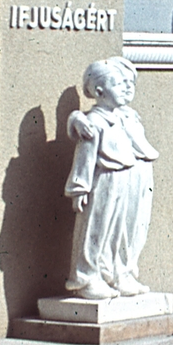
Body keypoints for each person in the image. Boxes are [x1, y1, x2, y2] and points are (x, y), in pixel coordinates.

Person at [64, 56, 158, 299]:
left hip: (127, 180)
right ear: (99, 91)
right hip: (105, 180)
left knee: (123, 232)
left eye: (130, 83)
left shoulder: (126, 116)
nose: (128, 88)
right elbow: (85, 156)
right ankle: (86, 278)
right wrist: (79, 188)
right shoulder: (93, 122)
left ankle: (120, 273)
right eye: (119, 84)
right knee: (96, 229)